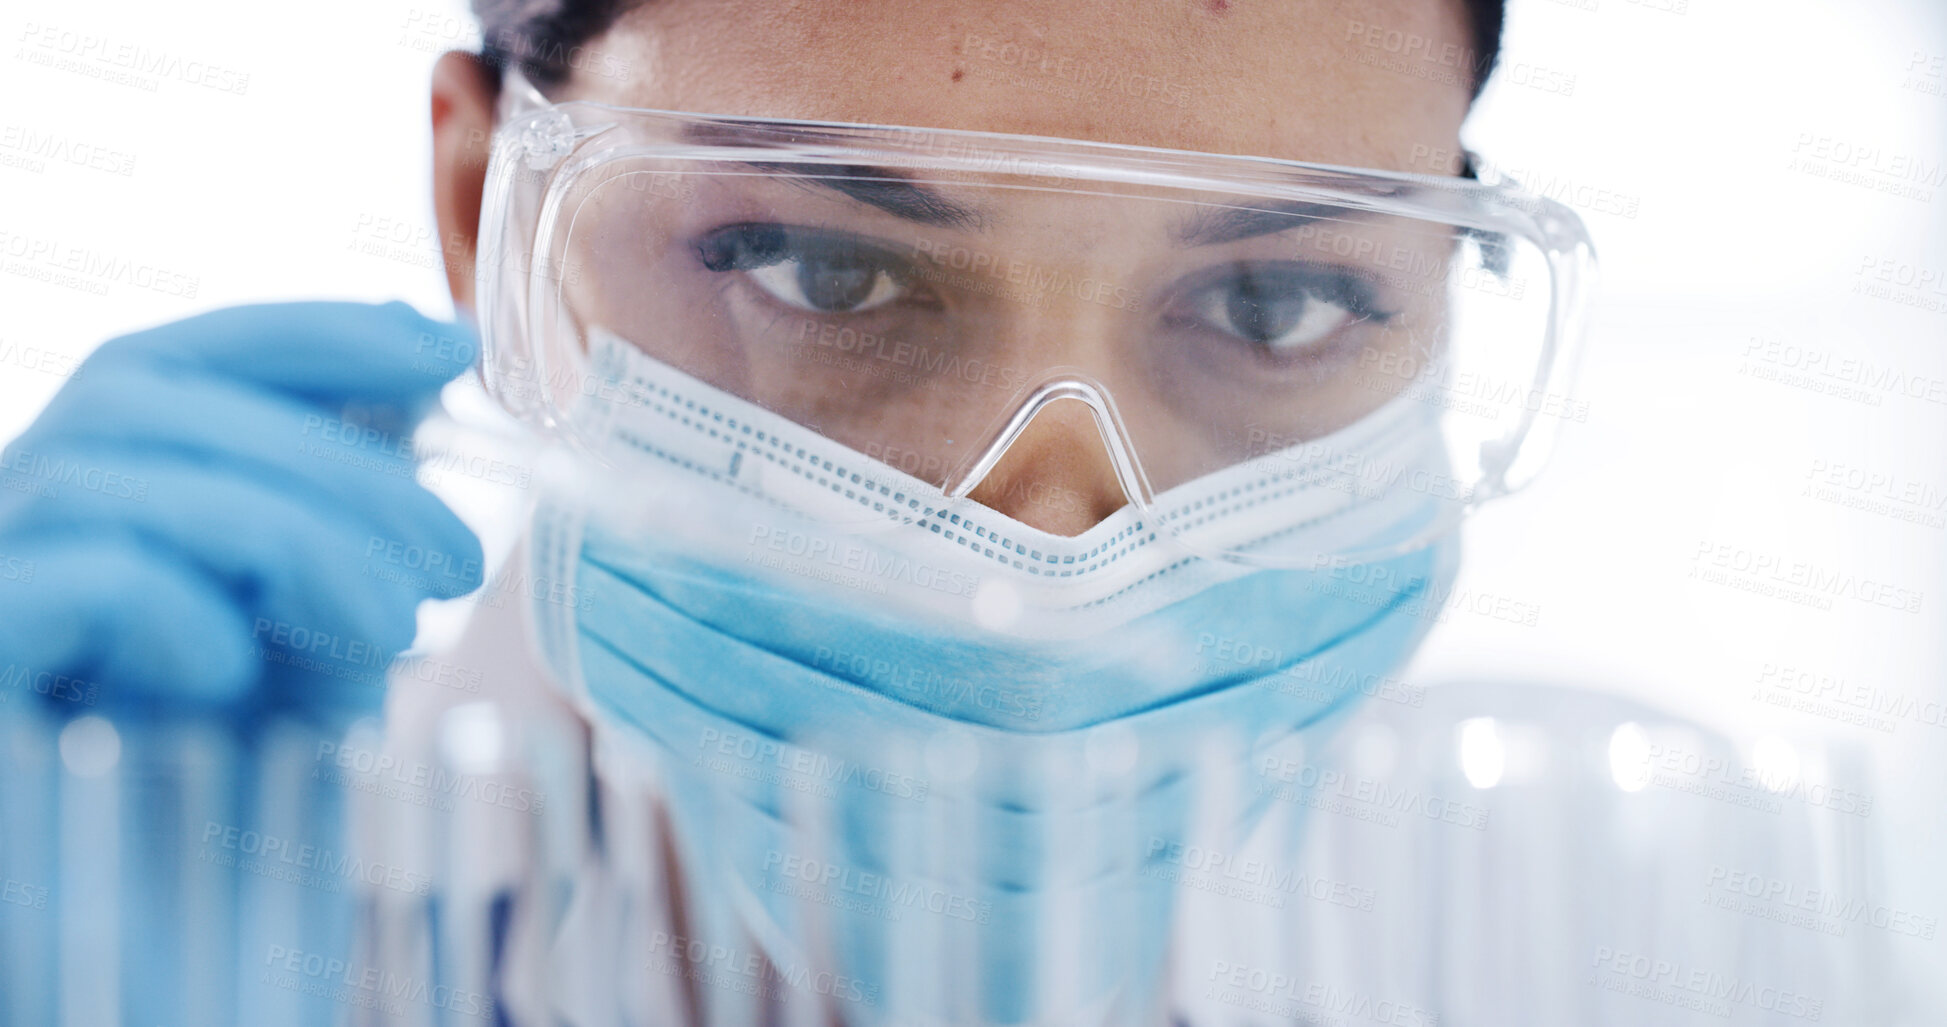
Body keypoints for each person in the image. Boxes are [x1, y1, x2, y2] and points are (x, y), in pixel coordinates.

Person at [0, 1, 1596, 1024]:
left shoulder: (1639, 919)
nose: (1057, 540)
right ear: (489, 209)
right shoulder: (132, 892)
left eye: (1274, 300)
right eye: (828, 271)